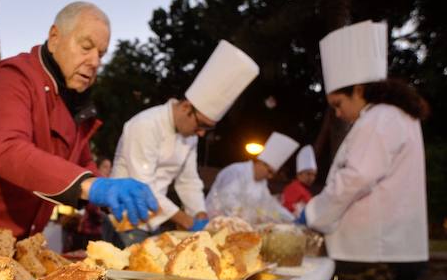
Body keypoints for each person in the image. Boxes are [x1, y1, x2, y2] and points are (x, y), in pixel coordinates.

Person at [0, 1, 157, 237]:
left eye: (101, 54)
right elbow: (8, 150)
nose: (95, 62)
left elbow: (84, 165)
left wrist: (110, 194)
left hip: (23, 242)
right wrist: (94, 187)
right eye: (86, 47)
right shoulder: (13, 76)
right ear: (55, 37)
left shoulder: (75, 103)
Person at [305, 20, 429, 280]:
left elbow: (351, 181)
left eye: (338, 104)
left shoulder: (380, 119)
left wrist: (310, 216)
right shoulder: (390, 118)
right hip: (372, 245)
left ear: (359, 90)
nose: (337, 114)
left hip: (372, 247)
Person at [111, 40, 259, 245]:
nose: (200, 134)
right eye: (201, 125)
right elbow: (144, 186)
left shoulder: (189, 133)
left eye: (207, 129)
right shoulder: (146, 124)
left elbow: (188, 180)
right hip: (125, 217)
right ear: (186, 107)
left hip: (154, 220)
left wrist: (199, 212)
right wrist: (186, 221)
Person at [205, 132, 299, 224]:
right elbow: (226, 201)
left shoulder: (262, 183)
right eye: (269, 171)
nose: (269, 176)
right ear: (260, 162)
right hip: (214, 222)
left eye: (272, 174)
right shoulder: (236, 171)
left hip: (239, 225)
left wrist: (291, 219)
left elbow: (271, 204)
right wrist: (250, 216)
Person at [281, 144, 317, 213]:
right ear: (299, 174)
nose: (311, 178)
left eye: (314, 175)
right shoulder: (293, 188)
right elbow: (287, 209)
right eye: (308, 174)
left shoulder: (305, 189)